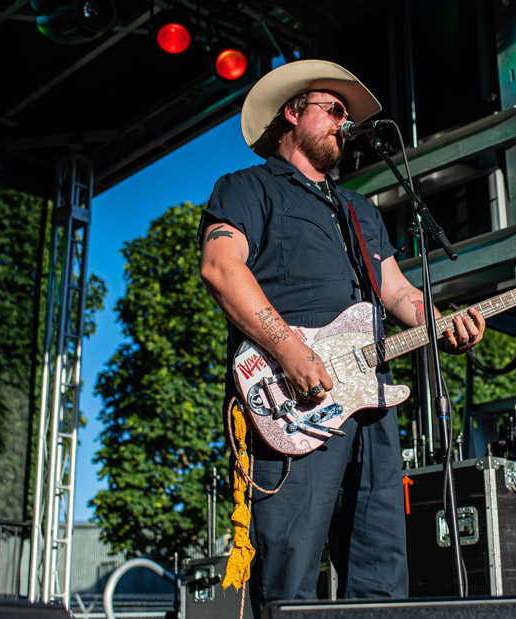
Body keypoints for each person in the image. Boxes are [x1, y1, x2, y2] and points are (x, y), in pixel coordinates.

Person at [198, 59, 484, 614]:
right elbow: (221, 267)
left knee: (380, 573)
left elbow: (399, 294)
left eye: (347, 115)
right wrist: (287, 348)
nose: (343, 122)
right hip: (292, 397)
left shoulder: (358, 210)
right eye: (332, 110)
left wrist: (443, 323)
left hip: (370, 399)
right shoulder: (247, 187)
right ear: (292, 113)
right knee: (289, 567)